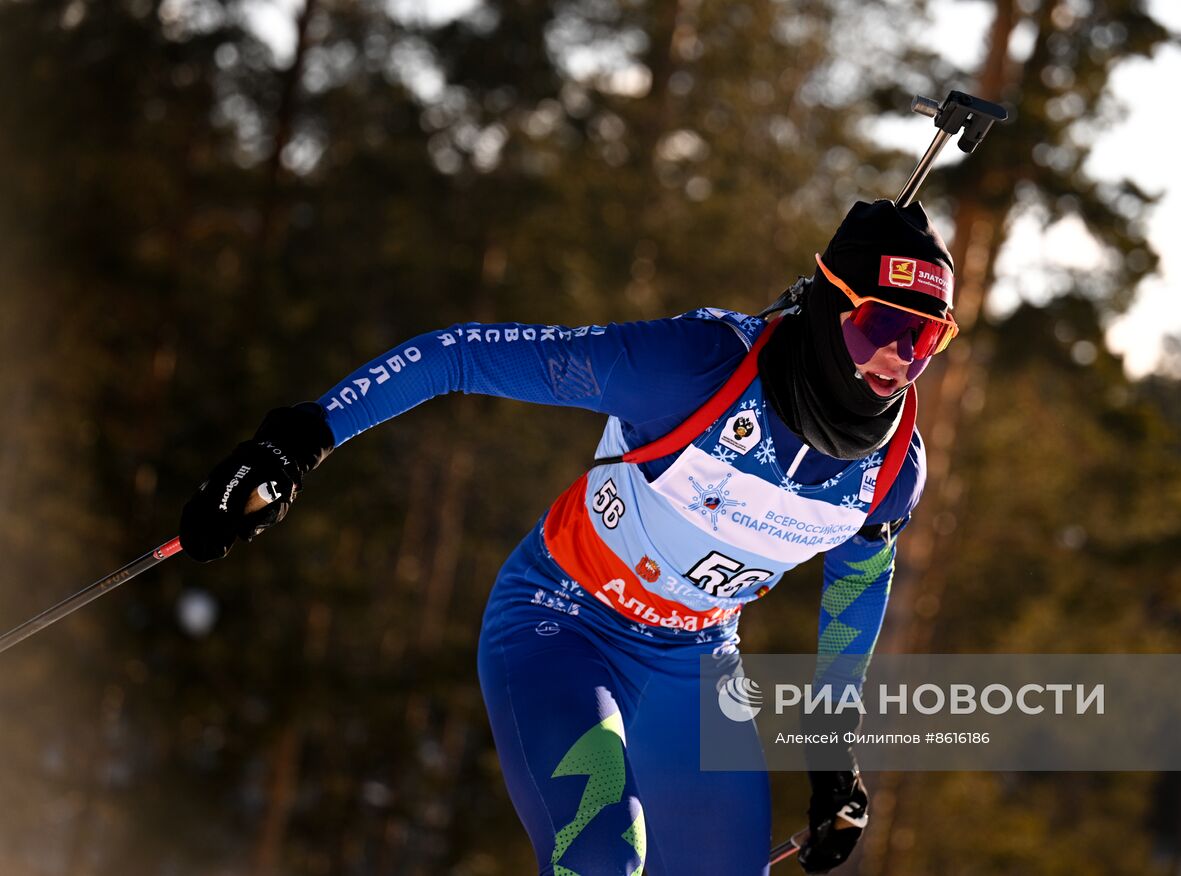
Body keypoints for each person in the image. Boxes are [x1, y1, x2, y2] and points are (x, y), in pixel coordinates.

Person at [180, 198, 958, 875]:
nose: (899, 360)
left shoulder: (893, 467)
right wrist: (295, 441)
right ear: (827, 307)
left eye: (926, 340)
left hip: (696, 663)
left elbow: (855, 596)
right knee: (601, 858)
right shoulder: (690, 369)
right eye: (880, 327)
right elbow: (458, 357)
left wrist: (831, 752)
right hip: (563, 621)